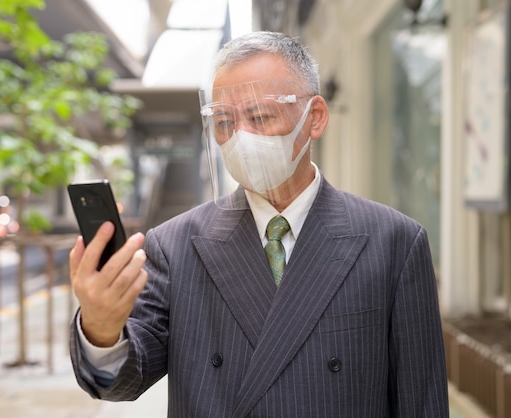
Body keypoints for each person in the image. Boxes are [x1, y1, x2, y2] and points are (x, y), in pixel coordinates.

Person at [69, 31, 449, 417]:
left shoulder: (395, 243)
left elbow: (422, 401)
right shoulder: (174, 245)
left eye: (260, 116)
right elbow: (123, 382)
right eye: (223, 121)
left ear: (314, 117)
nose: (240, 137)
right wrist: (101, 328)